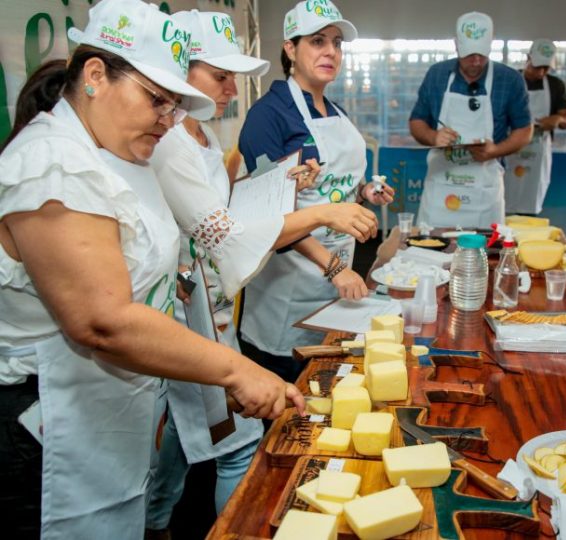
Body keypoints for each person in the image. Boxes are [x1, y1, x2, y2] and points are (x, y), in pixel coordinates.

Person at [0, 1, 303, 537]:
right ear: (95, 76)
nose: (168, 120)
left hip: (107, 404)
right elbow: (103, 321)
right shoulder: (53, 163)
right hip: (42, 424)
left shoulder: (118, 153)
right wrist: (235, 370)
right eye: (156, 100)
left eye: (173, 106)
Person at [144, 10, 378, 534]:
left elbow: (232, 202)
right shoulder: (181, 140)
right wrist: (323, 220)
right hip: (206, 304)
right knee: (234, 442)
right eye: (220, 76)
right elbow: (224, 230)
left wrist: (293, 187)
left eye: (337, 43)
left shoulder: (200, 137)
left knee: (185, 439)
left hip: (214, 302)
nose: (232, 88)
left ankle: (156, 522)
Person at [238, 0, 394, 383]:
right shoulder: (267, 116)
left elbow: (330, 191)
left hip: (337, 285)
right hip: (288, 289)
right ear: (290, 49)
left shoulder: (335, 111)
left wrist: (363, 192)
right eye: (317, 41)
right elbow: (268, 218)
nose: (331, 52)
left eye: (337, 43)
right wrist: (335, 267)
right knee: (287, 403)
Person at [409, 12, 532, 228]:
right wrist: (433, 136)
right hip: (441, 190)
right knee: (430, 250)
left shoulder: (510, 80)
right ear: (456, 45)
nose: (476, 61)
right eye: (469, 55)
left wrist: (494, 151)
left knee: (486, 253)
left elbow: (524, 130)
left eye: (482, 54)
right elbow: (416, 122)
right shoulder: (437, 75)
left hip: (484, 192)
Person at [504, 39, 566, 215]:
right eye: (537, 66)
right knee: (504, 199)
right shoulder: (510, 81)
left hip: (537, 153)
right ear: (528, 58)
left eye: (546, 68)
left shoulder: (555, 85)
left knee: (531, 200)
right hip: (509, 149)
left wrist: (557, 119)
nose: (541, 72)